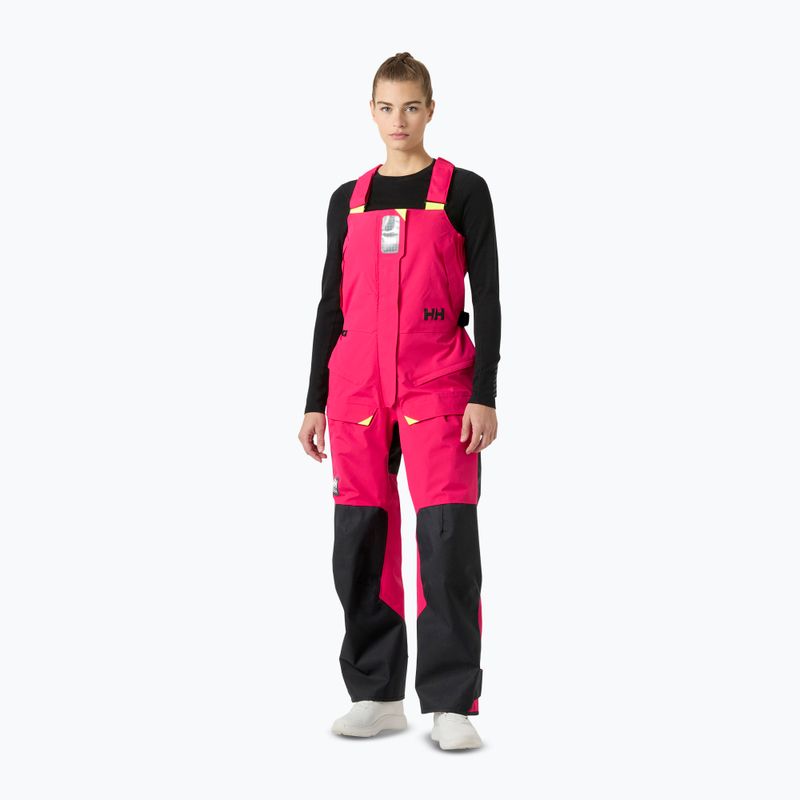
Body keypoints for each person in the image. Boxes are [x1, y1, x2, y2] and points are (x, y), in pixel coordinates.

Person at [298, 52, 501, 751]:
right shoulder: (348, 199)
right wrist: (314, 399)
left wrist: (484, 394)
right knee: (360, 541)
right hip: (355, 389)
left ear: (430, 110)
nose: (399, 120)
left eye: (411, 107)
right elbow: (330, 304)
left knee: (446, 542)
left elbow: (489, 298)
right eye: (387, 107)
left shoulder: (463, 191)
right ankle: (376, 693)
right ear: (372, 111)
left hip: (438, 385)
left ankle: (450, 703)